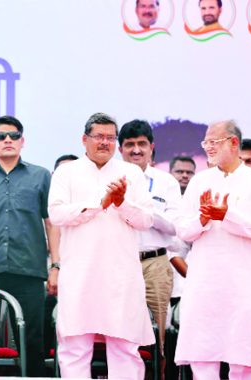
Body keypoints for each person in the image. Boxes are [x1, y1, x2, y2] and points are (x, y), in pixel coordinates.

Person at [49, 112, 154, 379]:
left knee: (124, 347)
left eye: (110, 138)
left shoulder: (131, 173)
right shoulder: (66, 172)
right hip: (79, 272)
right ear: (85, 139)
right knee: (75, 347)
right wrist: (101, 203)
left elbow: (145, 220)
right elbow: (58, 214)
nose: (105, 143)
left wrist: (121, 203)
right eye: (99, 137)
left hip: (121, 274)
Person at [174, 120, 251, 380]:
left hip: (243, 284)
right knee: (202, 356)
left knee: (243, 360)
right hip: (205, 283)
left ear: (233, 142)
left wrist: (227, 216)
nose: (208, 147)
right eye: (205, 142)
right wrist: (203, 219)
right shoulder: (200, 182)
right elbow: (183, 231)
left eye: (214, 142)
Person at [0, 115, 59, 377]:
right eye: (1, 136)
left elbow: (51, 224)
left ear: (22, 141)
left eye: (14, 136)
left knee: (32, 339)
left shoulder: (40, 176)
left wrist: (56, 266)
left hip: (28, 267)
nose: (8, 140)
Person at [118, 119, 180, 375]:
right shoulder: (112, 180)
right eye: (129, 144)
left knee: (159, 337)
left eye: (142, 144)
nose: (136, 150)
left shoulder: (166, 182)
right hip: (119, 262)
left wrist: (145, 210)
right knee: (121, 332)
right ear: (120, 148)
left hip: (154, 262)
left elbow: (175, 227)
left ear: (152, 147)